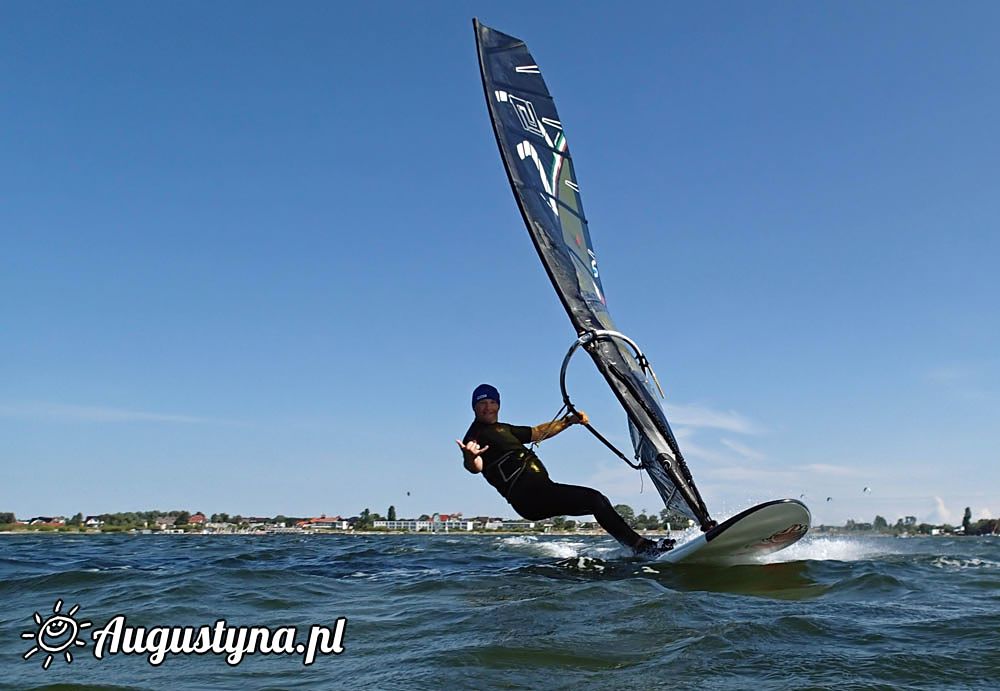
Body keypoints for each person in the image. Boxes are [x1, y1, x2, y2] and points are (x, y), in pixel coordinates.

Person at [456, 383, 673, 557]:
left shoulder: (504, 429)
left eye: (492, 401)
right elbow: (475, 468)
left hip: (543, 490)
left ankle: (638, 546)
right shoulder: (474, 436)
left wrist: (569, 421)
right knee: (595, 499)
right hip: (527, 496)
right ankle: (641, 547)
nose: (487, 407)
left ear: (499, 404)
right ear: (474, 407)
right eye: (482, 403)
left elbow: (539, 432)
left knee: (598, 501)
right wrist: (470, 457)